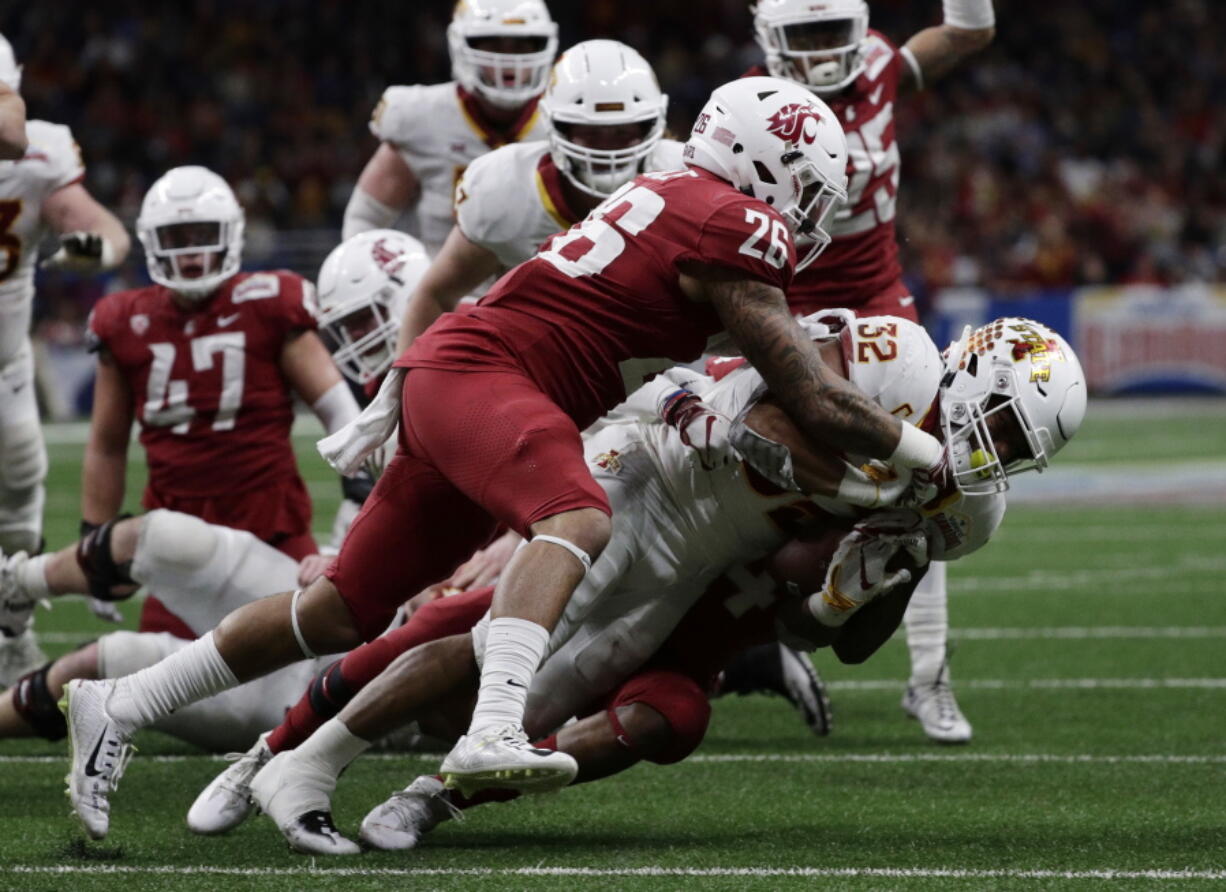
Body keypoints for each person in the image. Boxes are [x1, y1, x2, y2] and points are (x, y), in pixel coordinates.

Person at [59, 76, 950, 842]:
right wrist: (928, 455)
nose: (809, 217)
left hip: (467, 375)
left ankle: (125, 703)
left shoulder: (686, 194)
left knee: (338, 610)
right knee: (577, 516)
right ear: (766, 167)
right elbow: (812, 396)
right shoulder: (734, 222)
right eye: (807, 189)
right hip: (489, 377)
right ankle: (493, 729)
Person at [224, 315, 1085, 854]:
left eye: (1019, 455)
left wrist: (871, 584)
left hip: (705, 547)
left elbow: (834, 636)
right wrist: (866, 485)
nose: (995, 457)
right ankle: (308, 761)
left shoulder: (970, 511)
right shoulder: (894, 361)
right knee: (499, 644)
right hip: (659, 464)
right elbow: (775, 401)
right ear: (974, 370)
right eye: (1004, 428)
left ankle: (423, 805)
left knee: (551, 690)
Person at [740, 0, 997, 742]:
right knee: (763, 477)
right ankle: (753, 642)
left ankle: (929, 677)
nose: (824, 52)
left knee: (931, 475)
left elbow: (970, 31)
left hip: (881, 302)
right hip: (784, 309)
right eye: (806, 35)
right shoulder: (753, 107)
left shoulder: (880, 63)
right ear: (772, 40)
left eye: (833, 33)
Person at [77, 165, 360, 641]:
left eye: (202, 235)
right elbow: (106, 445)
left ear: (231, 235)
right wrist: (94, 545)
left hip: (271, 527)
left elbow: (339, 411)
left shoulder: (269, 301)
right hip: (173, 537)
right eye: (176, 237)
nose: (190, 254)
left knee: (306, 671)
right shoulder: (122, 320)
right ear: (151, 242)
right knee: (169, 687)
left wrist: (356, 503)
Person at [0, 32, 131, 685]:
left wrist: (77, 255)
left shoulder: (37, 153)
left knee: (21, 503)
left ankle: (11, 628)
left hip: (5, 369)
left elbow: (106, 236)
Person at [342, 0, 556, 252]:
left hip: (539, 287)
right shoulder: (421, 116)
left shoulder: (565, 120)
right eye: (493, 44)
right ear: (460, 44)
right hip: (445, 287)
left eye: (522, 46)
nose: (507, 60)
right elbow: (366, 218)